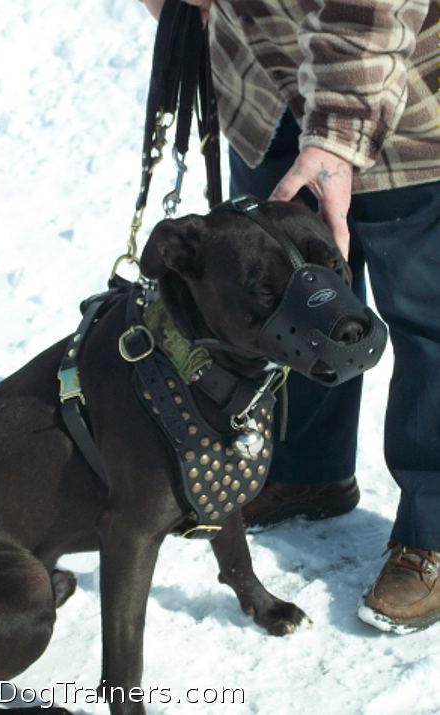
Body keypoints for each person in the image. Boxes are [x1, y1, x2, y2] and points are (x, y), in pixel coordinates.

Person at [142, 0, 440, 633]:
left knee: (429, 318)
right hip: (265, 77)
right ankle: (308, 471)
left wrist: (335, 132)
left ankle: (435, 531)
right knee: (284, 301)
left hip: (400, 90)